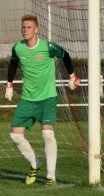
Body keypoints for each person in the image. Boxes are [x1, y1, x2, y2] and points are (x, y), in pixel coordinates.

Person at [5, 14, 80, 186]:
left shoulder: (48, 47)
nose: (25, 30)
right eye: (23, 27)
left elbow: (65, 55)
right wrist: (9, 85)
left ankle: (51, 176)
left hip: (47, 98)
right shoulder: (17, 48)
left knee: (47, 133)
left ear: (36, 30)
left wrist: (71, 75)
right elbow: (13, 64)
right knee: (15, 135)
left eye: (29, 27)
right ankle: (34, 163)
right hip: (27, 99)